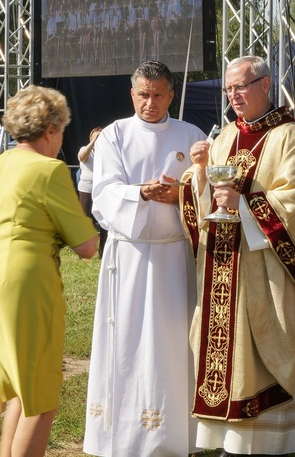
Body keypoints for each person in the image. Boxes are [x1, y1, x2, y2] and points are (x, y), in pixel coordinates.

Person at [181, 55, 295, 455]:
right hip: (222, 266)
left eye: (242, 86)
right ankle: (224, 436)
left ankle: (270, 440)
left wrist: (246, 203)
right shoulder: (225, 137)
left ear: (266, 85)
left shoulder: (287, 136)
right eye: (229, 89)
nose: (234, 95)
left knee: (257, 354)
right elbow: (203, 201)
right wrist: (200, 173)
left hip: (264, 269)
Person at [0, 85, 98, 456]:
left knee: (19, 391)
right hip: (23, 288)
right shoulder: (48, 169)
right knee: (42, 399)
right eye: (62, 130)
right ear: (50, 130)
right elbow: (86, 247)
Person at [83, 60, 206, 456]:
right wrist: (139, 193)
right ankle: (121, 436)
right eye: (142, 94)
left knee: (172, 344)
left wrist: (179, 196)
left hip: (174, 258)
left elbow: (206, 193)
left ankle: (175, 435)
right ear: (131, 93)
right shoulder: (115, 135)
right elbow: (103, 191)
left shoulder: (191, 135)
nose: (149, 103)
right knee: (126, 346)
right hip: (130, 257)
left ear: (171, 95)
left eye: (157, 95)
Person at [77, 126, 107, 256]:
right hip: (86, 190)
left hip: (101, 190)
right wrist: (94, 141)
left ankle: (103, 251)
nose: (98, 138)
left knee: (104, 222)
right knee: (85, 221)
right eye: (95, 136)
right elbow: (82, 157)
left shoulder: (106, 153)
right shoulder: (84, 150)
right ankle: (84, 251)